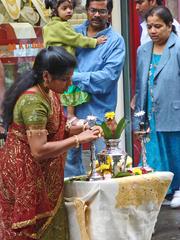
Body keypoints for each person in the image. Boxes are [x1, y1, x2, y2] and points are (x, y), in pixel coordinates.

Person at [0, 46, 102, 239]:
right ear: (46, 76)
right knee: (29, 230)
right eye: (65, 79)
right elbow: (39, 149)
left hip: (41, 172)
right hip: (24, 172)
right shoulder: (33, 101)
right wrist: (79, 139)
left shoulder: (50, 92)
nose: (69, 83)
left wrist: (83, 128)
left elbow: (56, 130)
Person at [65, 0, 125, 177]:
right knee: (68, 163)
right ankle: (73, 204)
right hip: (69, 112)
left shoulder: (115, 41)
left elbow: (107, 79)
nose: (97, 15)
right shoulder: (72, 34)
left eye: (102, 11)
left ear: (109, 13)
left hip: (99, 113)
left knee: (104, 165)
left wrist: (73, 78)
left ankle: (104, 205)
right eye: (93, 10)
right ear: (86, 10)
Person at [133, 6, 180, 208]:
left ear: (170, 26)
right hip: (149, 111)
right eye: (150, 26)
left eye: (158, 26)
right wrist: (139, 115)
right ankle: (156, 192)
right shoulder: (142, 50)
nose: (153, 31)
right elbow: (140, 83)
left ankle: (178, 189)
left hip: (173, 109)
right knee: (152, 153)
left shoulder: (178, 48)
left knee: (174, 150)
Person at [43, 0, 107, 125]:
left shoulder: (51, 25)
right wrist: (95, 42)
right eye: (64, 8)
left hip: (56, 63)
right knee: (69, 87)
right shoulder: (60, 26)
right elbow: (76, 39)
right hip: (63, 63)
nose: (69, 11)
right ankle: (71, 115)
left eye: (71, 8)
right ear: (55, 10)